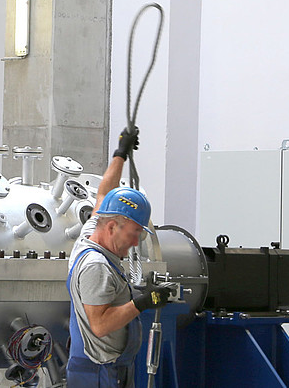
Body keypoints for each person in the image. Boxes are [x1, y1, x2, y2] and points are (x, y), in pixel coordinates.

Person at [66, 126, 172, 388]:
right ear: (112, 227)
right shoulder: (96, 267)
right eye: (134, 233)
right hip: (98, 375)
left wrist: (120, 152)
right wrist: (145, 302)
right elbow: (100, 325)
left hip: (112, 370)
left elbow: (104, 193)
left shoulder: (92, 231)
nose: (136, 242)